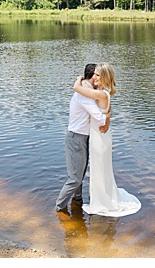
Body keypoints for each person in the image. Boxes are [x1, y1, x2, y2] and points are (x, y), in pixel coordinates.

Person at [73, 63, 141, 217]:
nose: (94, 77)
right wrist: (108, 116)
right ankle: (100, 197)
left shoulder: (101, 94)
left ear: (104, 78)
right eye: (94, 74)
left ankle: (102, 201)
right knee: (99, 169)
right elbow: (106, 109)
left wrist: (80, 78)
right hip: (100, 135)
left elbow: (77, 88)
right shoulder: (100, 92)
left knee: (99, 169)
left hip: (100, 137)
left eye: (97, 75)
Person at [55, 63, 108, 216]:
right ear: (92, 78)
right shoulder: (84, 96)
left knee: (80, 174)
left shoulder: (89, 91)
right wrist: (108, 117)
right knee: (75, 179)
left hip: (82, 138)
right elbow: (99, 118)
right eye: (97, 76)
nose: (99, 78)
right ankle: (59, 207)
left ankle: (77, 201)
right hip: (76, 139)